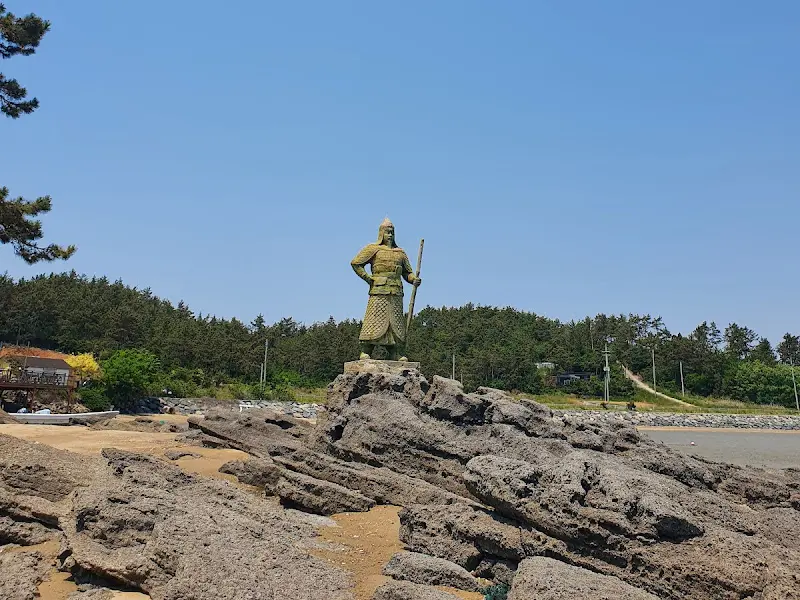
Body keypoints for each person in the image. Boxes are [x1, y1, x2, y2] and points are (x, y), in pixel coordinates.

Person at [351, 218, 421, 361]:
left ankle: (396, 351)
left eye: (392, 232)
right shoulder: (374, 249)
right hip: (379, 290)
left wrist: (413, 279)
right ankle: (366, 350)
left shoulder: (400, 253)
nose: (390, 235)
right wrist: (368, 278)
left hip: (396, 291)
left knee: (396, 323)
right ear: (381, 233)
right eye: (388, 232)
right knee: (374, 320)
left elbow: (407, 273)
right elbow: (356, 263)